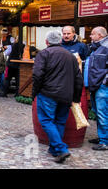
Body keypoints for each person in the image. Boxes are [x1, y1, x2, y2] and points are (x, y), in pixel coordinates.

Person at [32, 31, 83, 163]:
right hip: (66, 94)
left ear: (47, 42)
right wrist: (76, 98)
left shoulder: (44, 54)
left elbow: (37, 75)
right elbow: (78, 78)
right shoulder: (71, 56)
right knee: (60, 121)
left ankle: (60, 148)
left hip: (48, 93)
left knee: (47, 121)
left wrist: (34, 92)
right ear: (60, 41)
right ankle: (55, 149)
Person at [86, 26, 108, 151]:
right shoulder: (95, 47)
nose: (90, 36)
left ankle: (104, 141)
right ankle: (102, 137)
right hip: (95, 85)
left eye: (92, 34)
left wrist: (104, 82)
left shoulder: (106, 47)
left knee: (102, 114)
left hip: (102, 86)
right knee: (98, 112)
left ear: (99, 35)